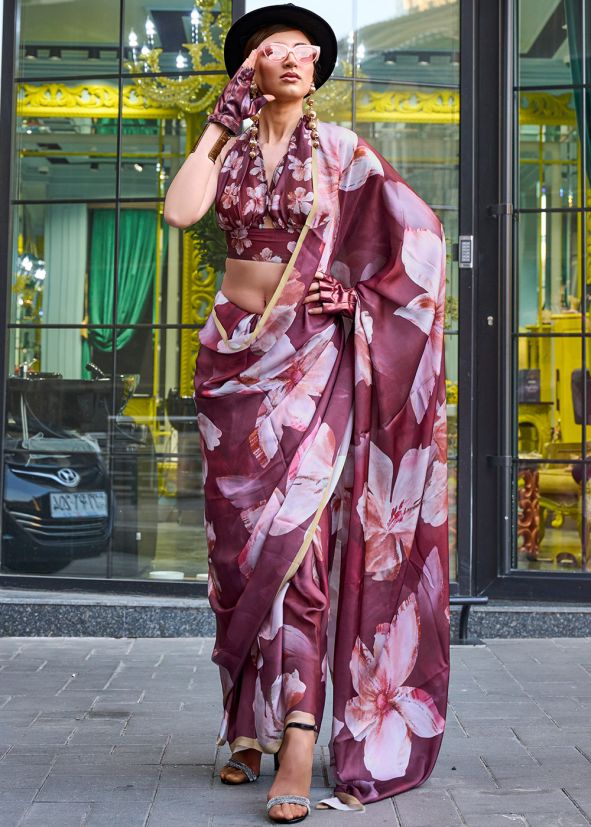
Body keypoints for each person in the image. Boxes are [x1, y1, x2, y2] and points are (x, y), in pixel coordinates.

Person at [164, 4, 450, 824]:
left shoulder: (341, 152)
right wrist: (216, 132)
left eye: (305, 48)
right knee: (236, 556)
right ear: (245, 68)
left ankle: (295, 734)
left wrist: (356, 296)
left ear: (318, 70)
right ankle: (241, 724)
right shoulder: (231, 146)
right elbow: (181, 212)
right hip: (231, 363)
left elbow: (420, 241)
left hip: (312, 362)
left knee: (303, 548)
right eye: (272, 46)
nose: (293, 55)